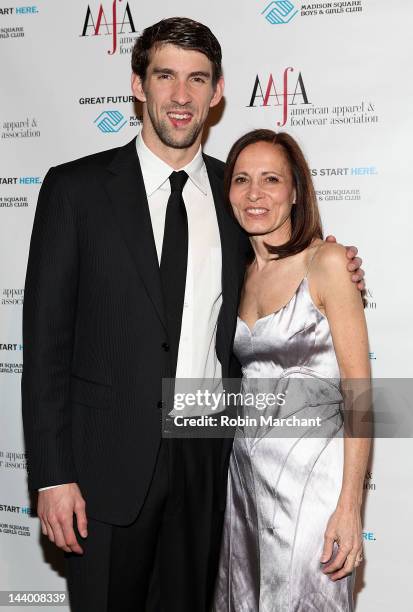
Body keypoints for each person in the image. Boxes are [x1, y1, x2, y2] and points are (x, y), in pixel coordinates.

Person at [21, 18, 365, 612]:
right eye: (166, 77)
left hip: (210, 468)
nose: (181, 97)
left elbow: (285, 268)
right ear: (137, 84)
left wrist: (338, 267)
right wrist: (53, 476)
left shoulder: (235, 198)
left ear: (217, 91)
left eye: (197, 80)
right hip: (104, 474)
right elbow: (46, 347)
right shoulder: (74, 191)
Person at [212, 129, 371, 611]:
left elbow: (359, 394)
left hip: (312, 489)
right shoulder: (235, 270)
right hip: (243, 483)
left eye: (270, 179)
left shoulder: (326, 263)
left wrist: (349, 508)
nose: (255, 193)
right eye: (241, 180)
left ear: (296, 191)